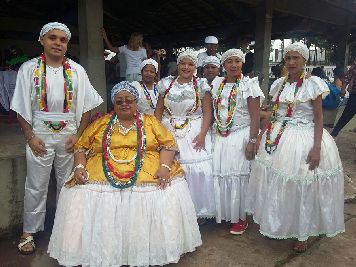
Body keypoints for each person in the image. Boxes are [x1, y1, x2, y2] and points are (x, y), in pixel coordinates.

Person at [47, 81, 202, 266]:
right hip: (102, 167)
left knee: (162, 191)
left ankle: (145, 251)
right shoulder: (101, 123)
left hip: (148, 166)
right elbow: (81, 147)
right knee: (82, 191)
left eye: (129, 100)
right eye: (119, 101)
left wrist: (165, 167)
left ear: (136, 101)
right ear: (114, 104)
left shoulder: (150, 121)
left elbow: (168, 145)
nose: (124, 104)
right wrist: (80, 168)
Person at [10, 22, 103, 255]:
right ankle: (28, 231)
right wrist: (30, 136)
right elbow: (21, 107)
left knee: (68, 184)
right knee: (35, 184)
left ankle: (67, 231)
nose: (58, 43)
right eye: (53, 38)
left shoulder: (77, 70)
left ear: (67, 44)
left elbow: (87, 107)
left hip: (69, 135)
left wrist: (78, 135)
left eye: (62, 40)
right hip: (38, 133)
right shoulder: (28, 68)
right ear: (42, 40)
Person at [246, 42, 344, 252]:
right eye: (288, 58)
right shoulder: (279, 84)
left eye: (295, 58)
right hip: (278, 138)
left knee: (302, 185)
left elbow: (319, 119)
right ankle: (280, 223)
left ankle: (303, 232)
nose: (290, 62)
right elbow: (274, 112)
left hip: (304, 137)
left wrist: (316, 148)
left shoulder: (313, 84)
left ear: (304, 60)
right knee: (277, 183)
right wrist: (263, 132)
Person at [155, 50, 215, 222]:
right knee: (169, 168)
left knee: (198, 170)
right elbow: (158, 110)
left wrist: (203, 134)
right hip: (168, 129)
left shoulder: (201, 85)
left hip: (194, 129)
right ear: (178, 65)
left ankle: (196, 210)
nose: (186, 67)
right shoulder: (166, 84)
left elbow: (207, 112)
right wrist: (157, 132)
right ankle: (172, 210)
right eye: (183, 64)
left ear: (195, 67)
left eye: (190, 64)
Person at [211, 49, 264, 235]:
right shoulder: (217, 84)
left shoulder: (249, 85)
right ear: (223, 65)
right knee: (221, 175)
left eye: (237, 61)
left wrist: (252, 140)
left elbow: (255, 116)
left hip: (241, 135)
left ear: (242, 63)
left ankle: (240, 216)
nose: (233, 65)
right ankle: (226, 213)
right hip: (220, 135)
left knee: (238, 177)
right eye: (229, 62)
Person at [331, 60, 356, 137]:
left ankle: (334, 132)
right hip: (354, 95)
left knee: (346, 115)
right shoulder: (354, 67)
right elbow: (347, 78)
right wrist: (343, 90)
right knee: (346, 115)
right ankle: (334, 133)